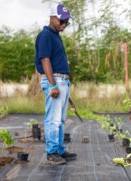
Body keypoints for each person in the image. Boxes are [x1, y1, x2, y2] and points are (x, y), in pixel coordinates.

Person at [34, 3, 77, 165]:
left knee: (60, 119)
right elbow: (45, 60)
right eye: (62, 21)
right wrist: (53, 85)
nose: (64, 24)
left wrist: (64, 85)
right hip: (55, 80)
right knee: (53, 119)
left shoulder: (55, 36)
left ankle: (59, 150)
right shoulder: (45, 35)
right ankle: (51, 152)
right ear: (52, 18)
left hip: (62, 81)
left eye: (67, 22)